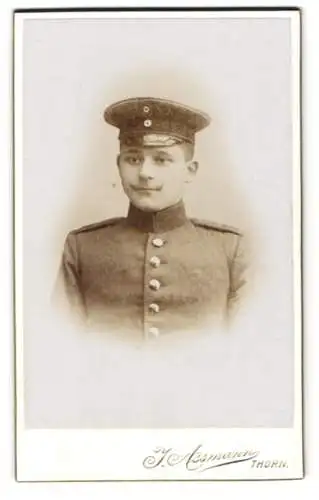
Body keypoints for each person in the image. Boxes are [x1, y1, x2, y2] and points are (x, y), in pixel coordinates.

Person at [55, 97, 248, 339]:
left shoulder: (229, 250)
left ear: (190, 170)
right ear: (119, 165)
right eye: (133, 159)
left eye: (161, 160)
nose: (145, 173)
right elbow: (60, 344)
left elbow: (244, 350)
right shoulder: (82, 248)